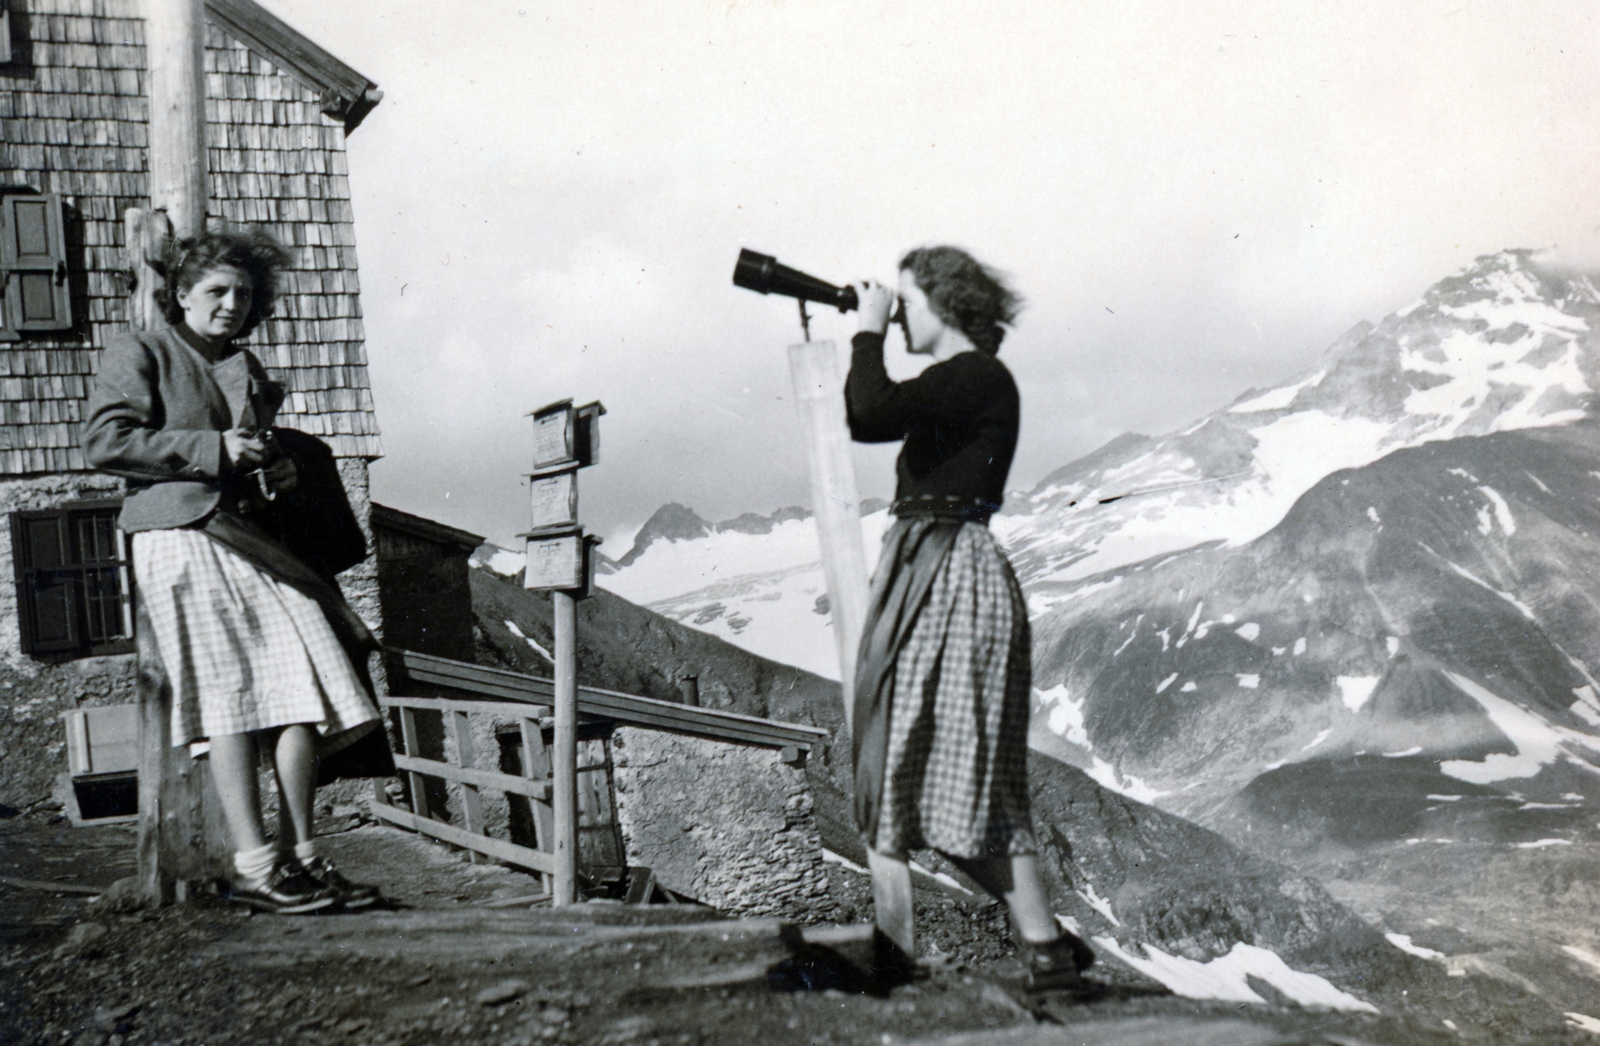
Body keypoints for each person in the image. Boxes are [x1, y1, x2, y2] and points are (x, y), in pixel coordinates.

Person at [84, 228, 383, 914]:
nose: (230, 304)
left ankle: (303, 855)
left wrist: (276, 470)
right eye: (216, 290)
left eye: (243, 293)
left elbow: (254, 457)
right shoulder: (143, 350)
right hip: (177, 533)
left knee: (306, 673)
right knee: (230, 697)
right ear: (180, 294)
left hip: (243, 536)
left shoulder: (243, 368)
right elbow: (106, 441)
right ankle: (253, 866)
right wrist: (213, 447)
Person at [846, 246, 1094, 990]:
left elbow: (867, 413)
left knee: (961, 778)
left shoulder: (976, 378)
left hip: (951, 578)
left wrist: (864, 333)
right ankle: (1047, 945)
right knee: (912, 780)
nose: (898, 315)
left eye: (907, 302)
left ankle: (1047, 950)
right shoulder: (959, 382)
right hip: (929, 568)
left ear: (946, 305)